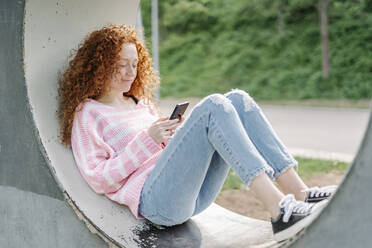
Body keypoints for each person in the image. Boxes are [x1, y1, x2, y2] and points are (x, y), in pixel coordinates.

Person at [57, 24, 337, 242]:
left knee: (237, 100)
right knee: (214, 105)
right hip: (156, 203)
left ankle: (301, 193)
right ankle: (280, 211)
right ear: (100, 65)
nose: (130, 72)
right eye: (121, 64)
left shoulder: (139, 104)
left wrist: (171, 136)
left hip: (191, 195)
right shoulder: (89, 114)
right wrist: (147, 140)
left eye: (134, 64)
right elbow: (98, 178)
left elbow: (161, 153)